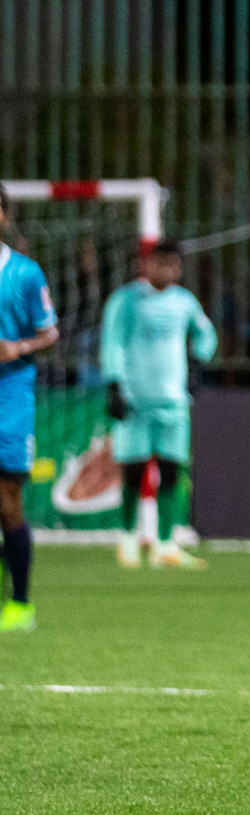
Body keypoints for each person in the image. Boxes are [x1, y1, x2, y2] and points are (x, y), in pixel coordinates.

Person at [100, 239, 217, 570]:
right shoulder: (126, 300)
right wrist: (114, 385)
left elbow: (206, 334)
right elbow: (113, 343)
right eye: (158, 263)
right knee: (134, 471)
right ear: (147, 265)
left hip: (174, 402)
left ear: (178, 269)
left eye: (171, 265)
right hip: (135, 399)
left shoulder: (185, 303)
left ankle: (166, 544)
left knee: (171, 470)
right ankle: (126, 539)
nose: (164, 270)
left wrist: (198, 361)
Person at [0, 184, 61, 633]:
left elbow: (50, 332)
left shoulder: (25, 274)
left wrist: (18, 345)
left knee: (7, 500)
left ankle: (20, 604)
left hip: (10, 394)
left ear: (4, 216)